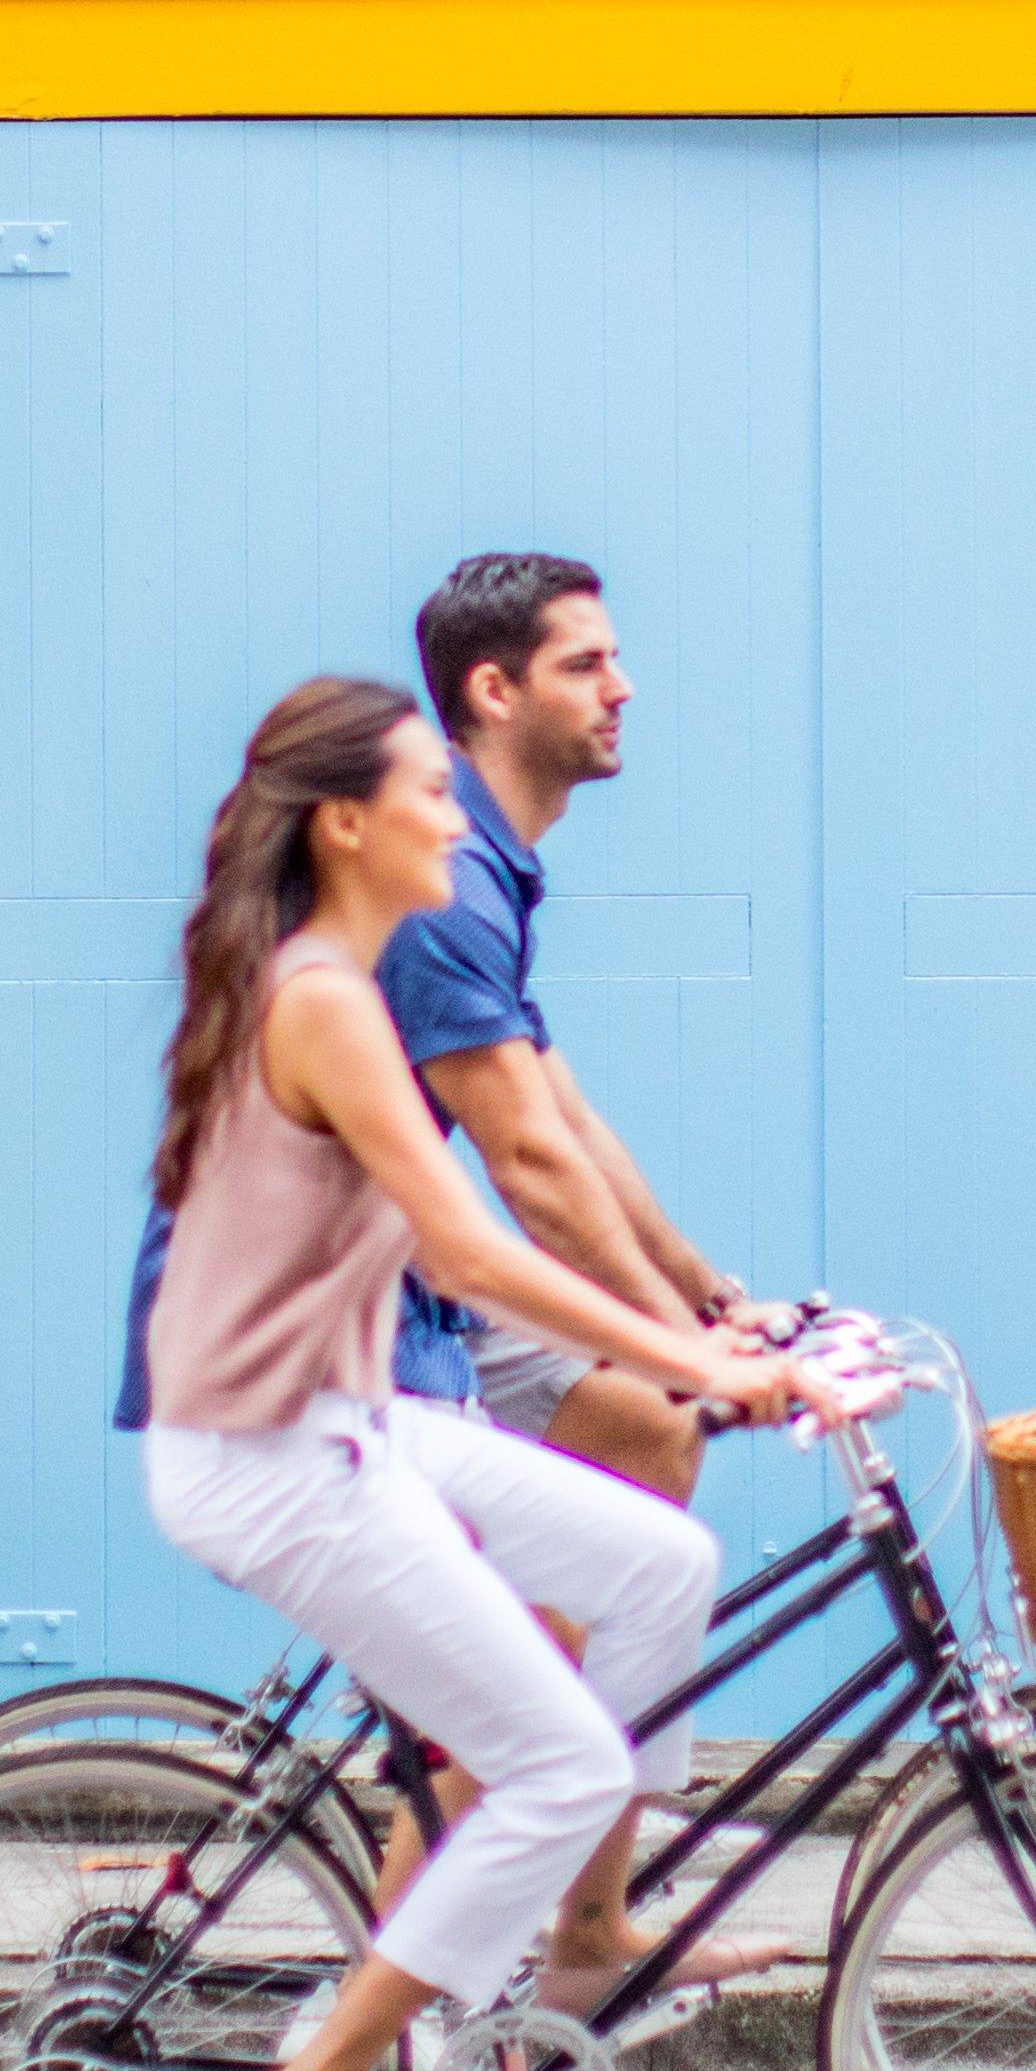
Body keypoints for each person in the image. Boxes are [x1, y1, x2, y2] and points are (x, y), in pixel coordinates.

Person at [128, 673, 824, 2071]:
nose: (456, 811)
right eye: (425, 792)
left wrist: (706, 1320)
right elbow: (475, 1246)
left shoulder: (338, 981)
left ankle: (590, 1931)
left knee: (663, 1559)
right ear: (346, 822)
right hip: (269, 1460)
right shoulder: (320, 996)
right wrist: (700, 1356)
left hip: (355, 1428)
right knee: (556, 1755)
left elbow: (518, 1176)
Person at [384, 553, 738, 1503]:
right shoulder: (446, 882)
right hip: (345, 1315)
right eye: (583, 666)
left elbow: (565, 1115)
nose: (622, 688)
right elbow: (532, 1161)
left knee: (651, 1430)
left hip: (409, 1280)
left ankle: (554, 1658)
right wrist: (692, 1353)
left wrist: (708, 1301)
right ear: (494, 690)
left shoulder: (488, 865)